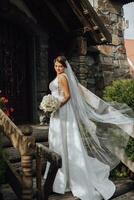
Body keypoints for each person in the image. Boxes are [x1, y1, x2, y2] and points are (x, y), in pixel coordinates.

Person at [44, 56, 134, 200]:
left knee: (63, 142)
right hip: (60, 113)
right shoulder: (61, 77)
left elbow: (67, 96)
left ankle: (64, 180)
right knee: (61, 142)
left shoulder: (62, 77)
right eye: (56, 66)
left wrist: (54, 106)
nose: (58, 68)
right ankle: (62, 178)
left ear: (64, 67)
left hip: (62, 111)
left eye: (60, 66)